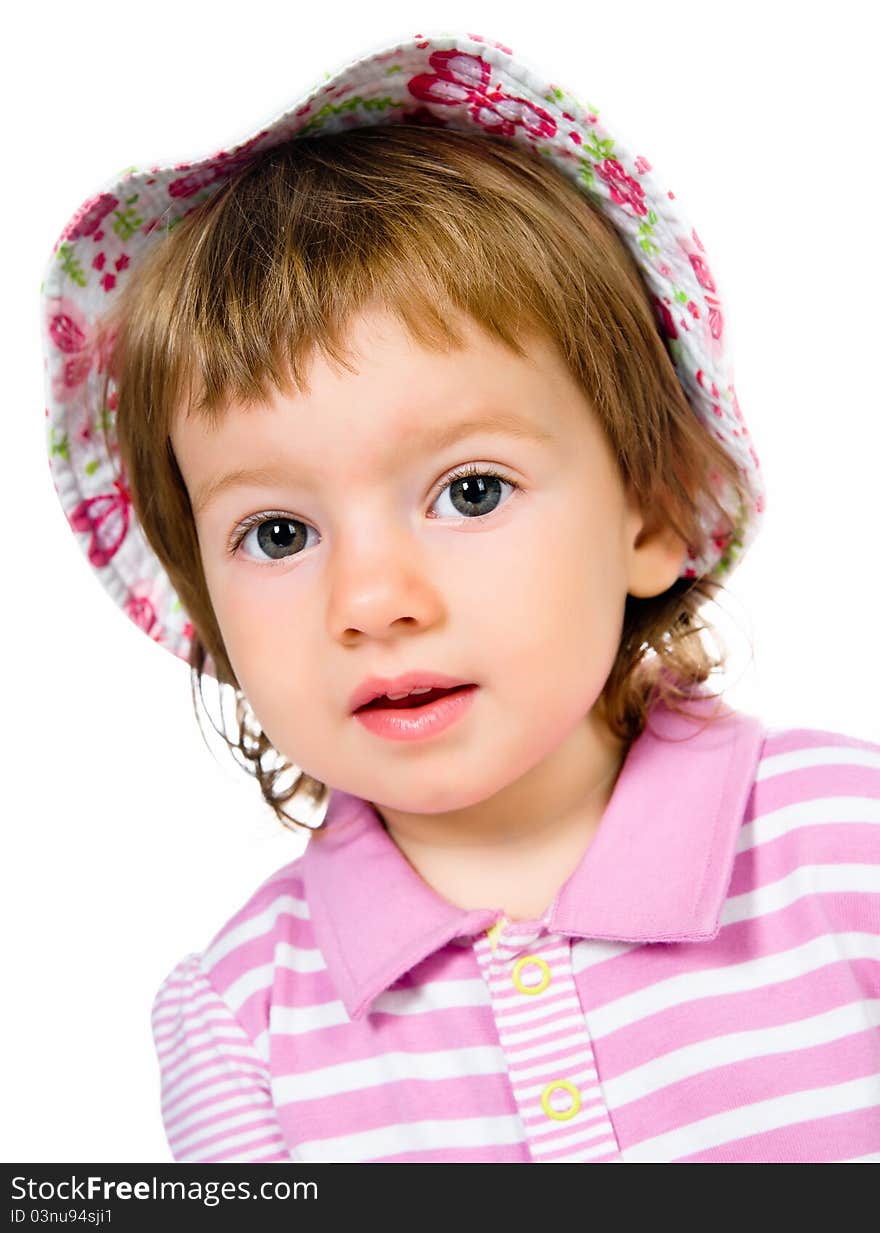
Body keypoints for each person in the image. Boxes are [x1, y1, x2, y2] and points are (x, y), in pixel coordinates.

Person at [40, 30, 880, 1164]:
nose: (372, 598)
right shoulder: (242, 1023)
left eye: (469, 489)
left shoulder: (844, 846)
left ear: (656, 507)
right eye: (278, 532)